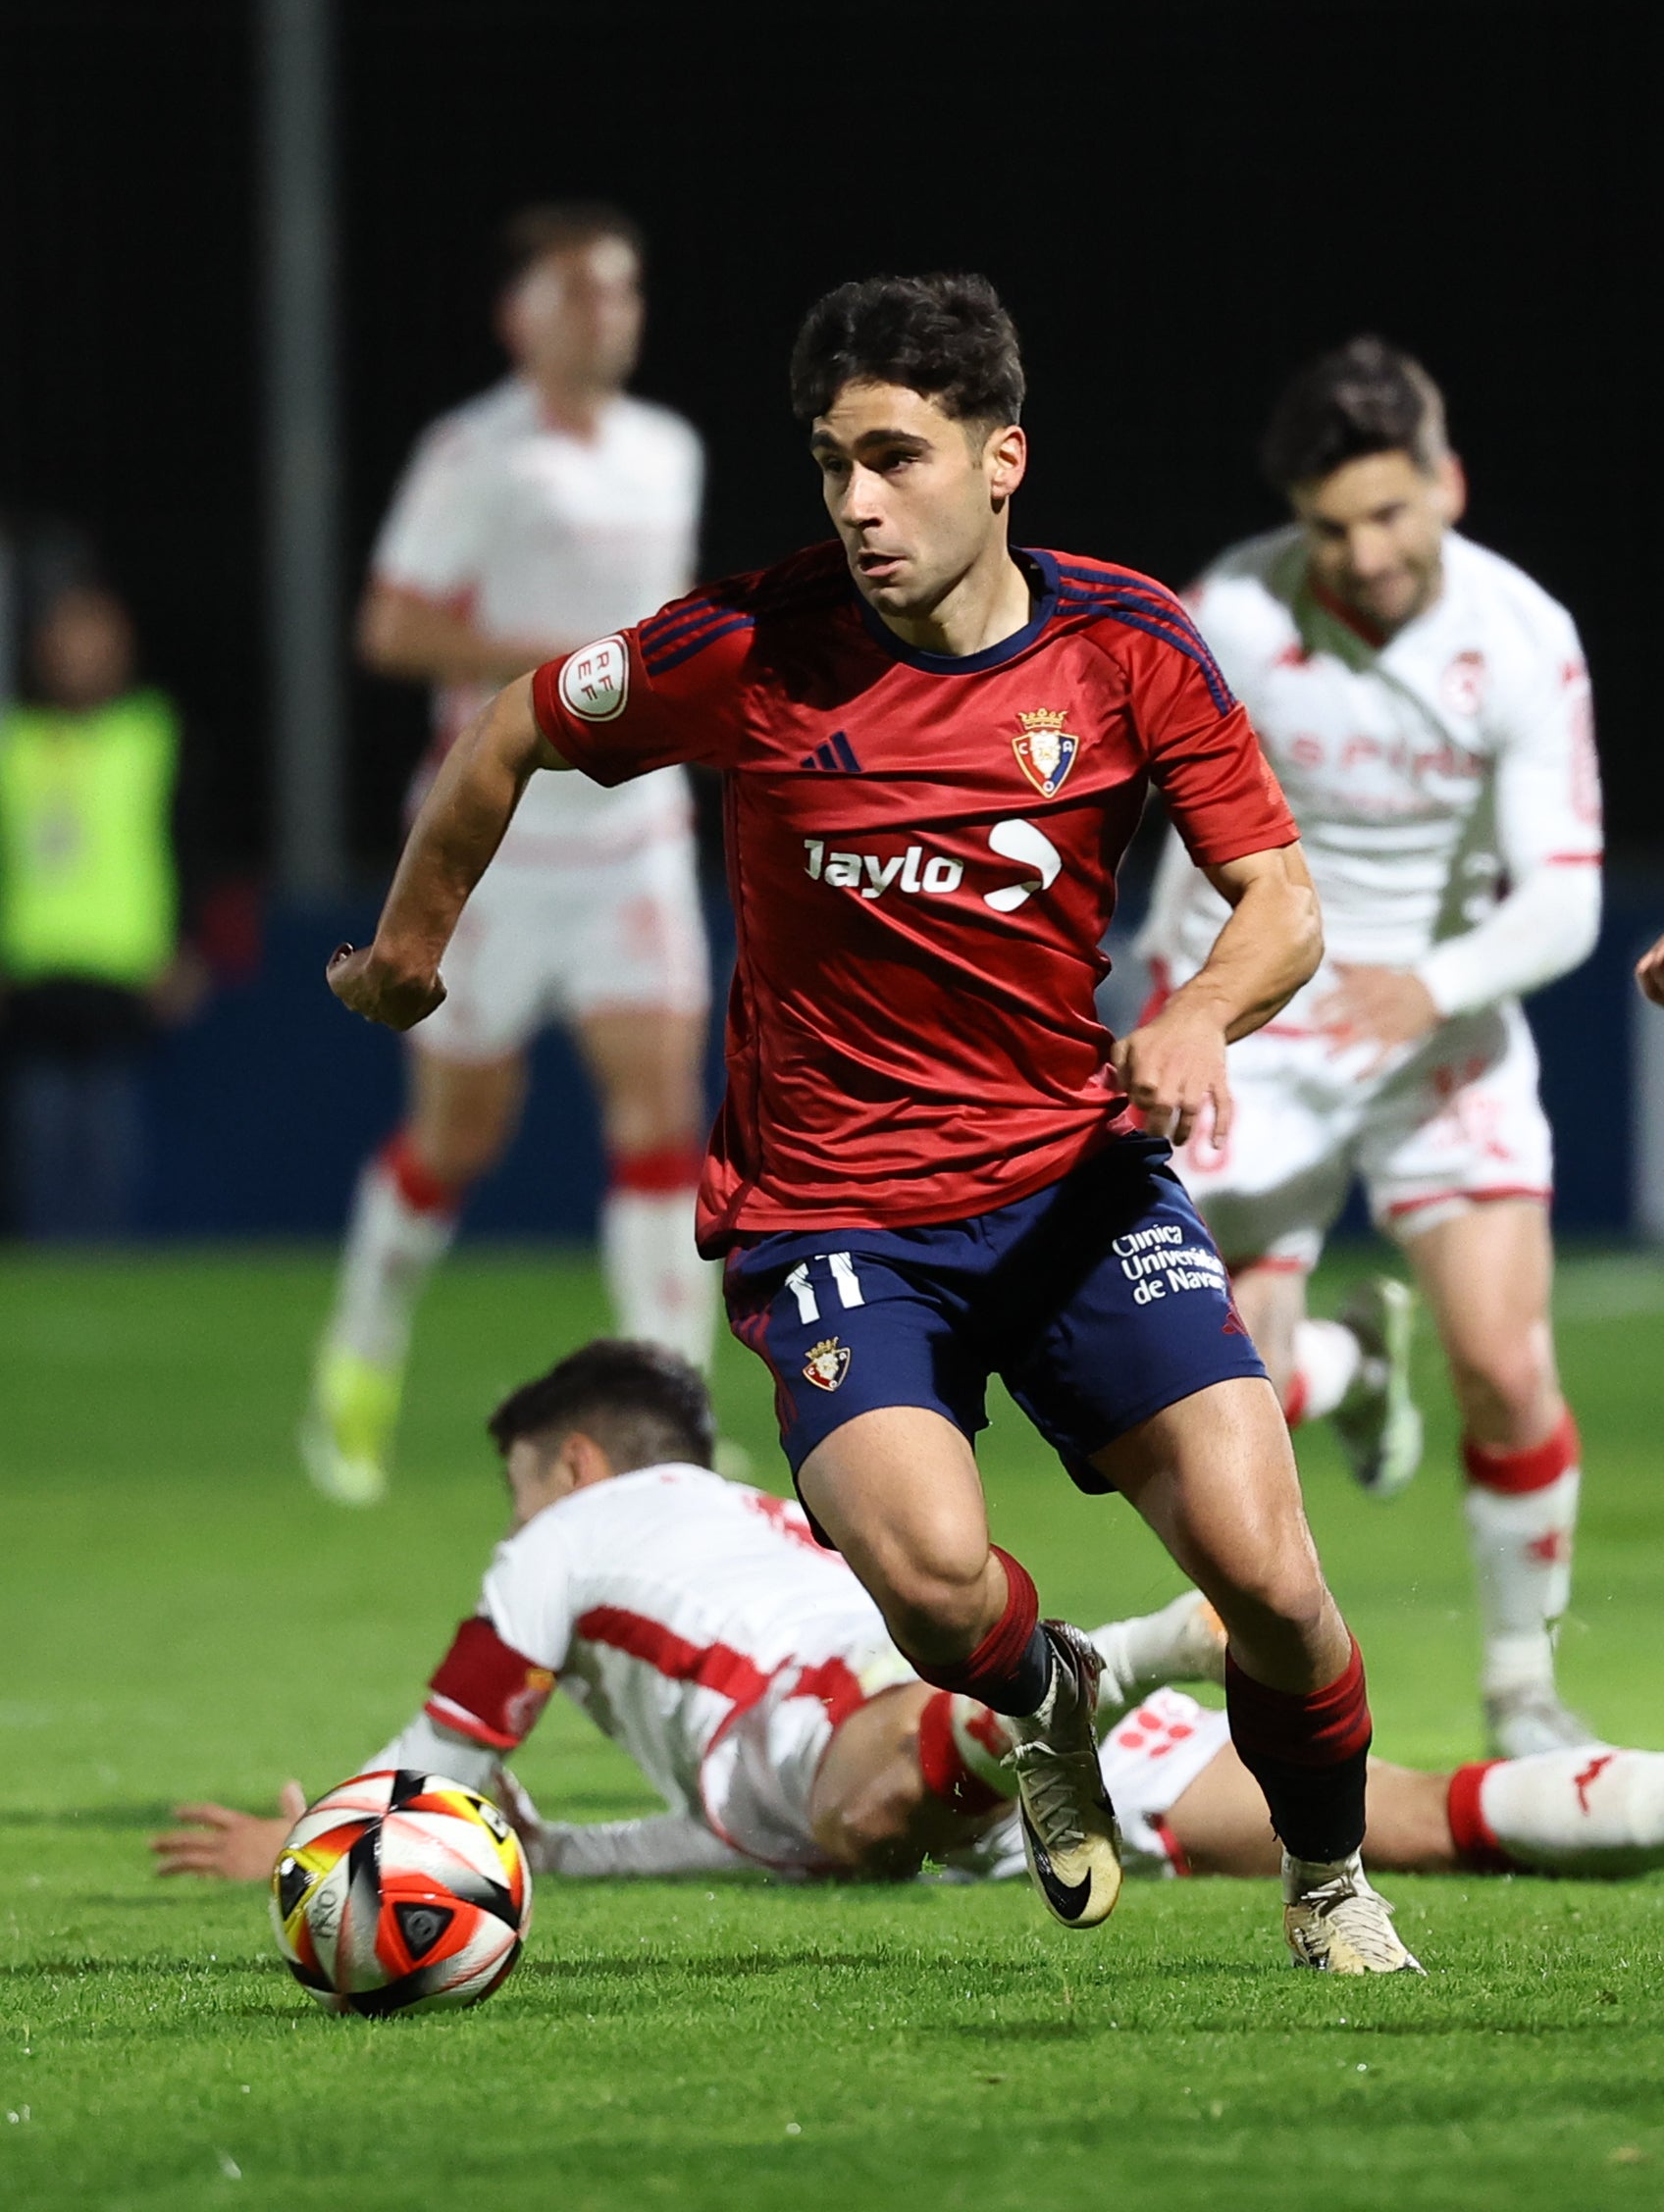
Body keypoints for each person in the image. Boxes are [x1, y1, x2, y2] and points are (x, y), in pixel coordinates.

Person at [324, 271, 1417, 1974]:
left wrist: (1196, 1016)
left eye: (895, 458)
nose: (854, 501)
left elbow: (1276, 899)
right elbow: (508, 730)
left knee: (1271, 1577)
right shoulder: (744, 647)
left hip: (1072, 1186)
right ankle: (1046, 1698)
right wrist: (410, 950)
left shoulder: (1123, 648)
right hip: (835, 1220)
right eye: (832, 462)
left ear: (1002, 462)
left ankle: (1330, 1881)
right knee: (926, 1578)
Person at [153, 1340, 1664, 1897]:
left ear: (574, 1462)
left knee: (872, 1807)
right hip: (959, 1747)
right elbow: (764, 1845)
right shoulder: (741, 1529)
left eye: (516, 1490)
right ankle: (1083, 1681)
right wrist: (568, 1861)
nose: (511, 1525)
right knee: (1407, 1820)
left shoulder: (579, 1534)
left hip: (862, 1719)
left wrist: (315, 1857)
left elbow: (447, 1755)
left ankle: (1108, 1657)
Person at [1139, 336, 1604, 1762]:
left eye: (1393, 514)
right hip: (1266, 1030)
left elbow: (1567, 898)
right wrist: (1187, 1015)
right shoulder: (1233, 612)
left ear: (1446, 484)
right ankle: (1343, 1357)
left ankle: (1523, 1692)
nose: (1368, 552)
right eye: (1334, 525)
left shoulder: (1523, 640)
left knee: (1509, 1371)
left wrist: (1431, 982)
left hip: (1439, 1034)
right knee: (1217, 1408)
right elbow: (1174, 859)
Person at [302, 202, 713, 1508]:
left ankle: (671, 1419)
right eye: (584, 291)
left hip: (635, 837)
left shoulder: (669, 450)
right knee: (461, 1135)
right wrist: (551, 666)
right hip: (497, 842)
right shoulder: (473, 453)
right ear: (521, 315)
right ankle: (358, 1360)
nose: (612, 312)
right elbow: (390, 628)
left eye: (627, 290)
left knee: (661, 1118)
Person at [0, 582, 210, 1237]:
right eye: (67, 637)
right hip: (34, 974)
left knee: (111, 1149)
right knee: (40, 1143)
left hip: (126, 975)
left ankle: (108, 1270)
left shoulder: (152, 734)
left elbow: (193, 845)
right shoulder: (16, 743)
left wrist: (188, 946)